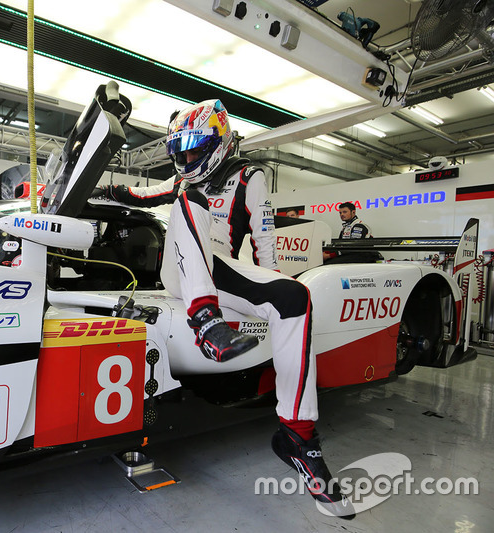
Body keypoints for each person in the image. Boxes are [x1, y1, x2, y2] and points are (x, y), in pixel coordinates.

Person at [92, 99, 354, 518]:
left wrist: (270, 297)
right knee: (187, 198)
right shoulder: (184, 188)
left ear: (221, 142)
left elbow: (265, 243)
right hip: (180, 273)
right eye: (183, 151)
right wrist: (104, 189)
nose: (188, 159)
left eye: (197, 149)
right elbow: (143, 194)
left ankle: (297, 437)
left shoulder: (251, 177)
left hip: (223, 273)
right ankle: (205, 321)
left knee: (294, 299)